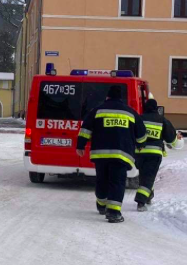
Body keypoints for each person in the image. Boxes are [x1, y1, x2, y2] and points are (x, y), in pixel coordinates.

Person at [76, 85, 146, 223]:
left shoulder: (97, 111)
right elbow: (141, 134)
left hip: (100, 155)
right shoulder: (130, 113)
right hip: (121, 155)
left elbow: (85, 129)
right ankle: (114, 212)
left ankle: (102, 205)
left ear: (107, 97)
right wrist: (141, 145)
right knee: (117, 182)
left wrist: (80, 146)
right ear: (121, 98)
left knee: (102, 180)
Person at [134, 99, 180, 211]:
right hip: (154, 154)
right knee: (149, 177)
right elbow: (171, 138)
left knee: (144, 175)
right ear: (156, 108)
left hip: (139, 153)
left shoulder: (139, 119)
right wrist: (175, 143)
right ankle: (141, 201)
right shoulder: (162, 120)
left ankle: (149, 196)